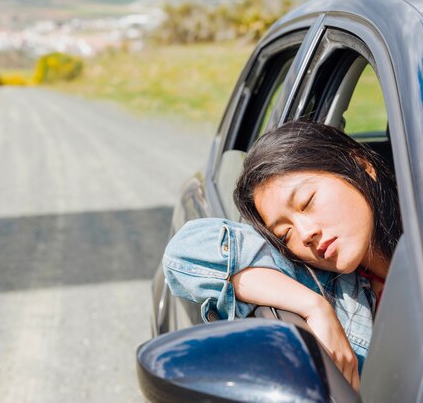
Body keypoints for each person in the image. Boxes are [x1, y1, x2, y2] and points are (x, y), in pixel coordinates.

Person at [162, 121, 401, 391]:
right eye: (285, 234)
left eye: (307, 202)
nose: (306, 233)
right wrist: (315, 307)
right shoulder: (323, 283)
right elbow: (184, 253)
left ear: (361, 166)